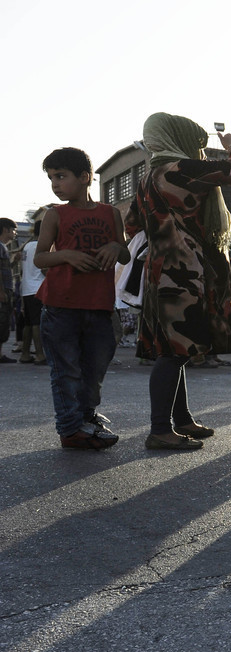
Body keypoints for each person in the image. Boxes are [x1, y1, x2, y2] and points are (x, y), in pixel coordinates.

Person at [130, 113, 231, 451]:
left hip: (161, 269)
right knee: (173, 352)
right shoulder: (179, 169)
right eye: (198, 144)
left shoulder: (149, 178)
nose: (201, 151)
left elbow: (132, 222)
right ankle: (160, 429)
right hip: (183, 272)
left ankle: (181, 420)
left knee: (177, 349)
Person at [33, 147, 130, 449]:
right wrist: (67, 255)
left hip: (100, 305)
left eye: (61, 176)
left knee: (94, 370)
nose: (55, 184)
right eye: (51, 178)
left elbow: (125, 253)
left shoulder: (110, 213)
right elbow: (39, 259)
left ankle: (86, 417)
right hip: (61, 305)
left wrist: (115, 246)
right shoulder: (54, 214)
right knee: (66, 371)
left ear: (85, 177)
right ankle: (70, 428)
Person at [16, 221, 47, 364]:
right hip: (38, 288)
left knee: (28, 323)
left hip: (27, 288)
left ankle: (25, 354)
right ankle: (40, 355)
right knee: (37, 323)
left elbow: (22, 270)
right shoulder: (40, 246)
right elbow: (43, 269)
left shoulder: (27, 246)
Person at [0, 218, 16, 364]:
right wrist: (2, 291)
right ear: (6, 230)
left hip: (5, 289)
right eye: (13, 230)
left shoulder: (3, 247)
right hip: (3, 290)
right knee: (2, 321)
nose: (14, 233)